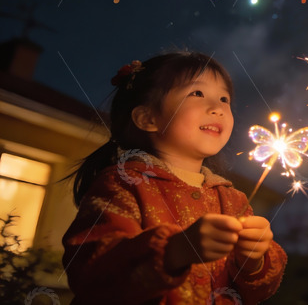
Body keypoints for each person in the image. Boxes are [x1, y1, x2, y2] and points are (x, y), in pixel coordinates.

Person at [62, 52, 287, 304]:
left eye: (224, 99)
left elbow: (253, 292)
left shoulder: (233, 199)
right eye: (197, 94)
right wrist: (173, 251)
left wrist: (255, 260)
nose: (218, 109)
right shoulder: (122, 184)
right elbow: (91, 271)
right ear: (148, 118)